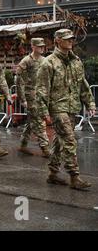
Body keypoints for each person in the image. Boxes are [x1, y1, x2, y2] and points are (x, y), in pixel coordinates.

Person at [36, 29, 96, 191]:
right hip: (57, 108)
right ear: (58, 41)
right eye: (67, 39)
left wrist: (90, 103)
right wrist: (44, 113)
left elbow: (82, 84)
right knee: (69, 140)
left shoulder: (76, 61)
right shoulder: (48, 63)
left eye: (72, 39)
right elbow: (41, 90)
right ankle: (74, 176)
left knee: (59, 142)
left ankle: (53, 173)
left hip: (72, 107)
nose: (71, 41)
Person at [16, 38, 50, 158]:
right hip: (31, 96)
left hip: (42, 95)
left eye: (43, 46)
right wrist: (22, 98)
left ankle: (23, 144)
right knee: (39, 121)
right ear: (33, 47)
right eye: (39, 46)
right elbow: (18, 80)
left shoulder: (45, 60)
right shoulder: (26, 61)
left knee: (31, 121)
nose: (42, 48)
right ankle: (45, 148)